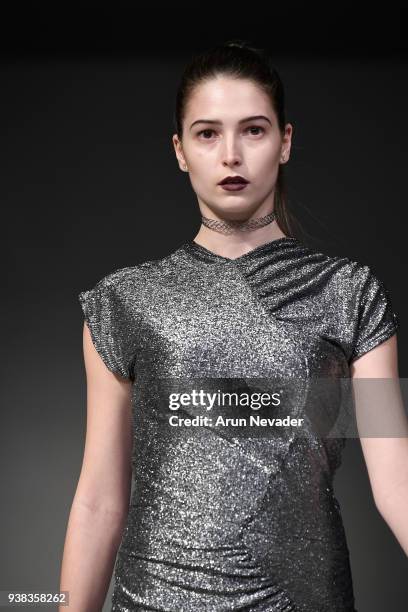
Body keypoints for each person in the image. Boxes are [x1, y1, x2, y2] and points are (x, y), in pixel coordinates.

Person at [60, 40, 408, 611]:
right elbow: (99, 499)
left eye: (253, 129)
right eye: (206, 133)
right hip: (153, 598)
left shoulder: (349, 294)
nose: (230, 156)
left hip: (304, 599)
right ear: (179, 150)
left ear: (285, 141)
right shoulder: (124, 301)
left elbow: (396, 484)